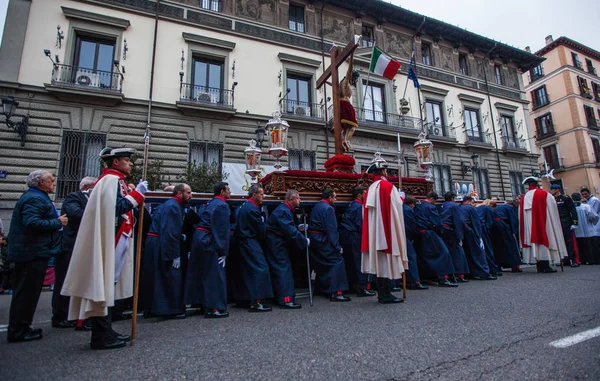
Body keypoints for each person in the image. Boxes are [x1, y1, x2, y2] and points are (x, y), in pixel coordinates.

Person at [62, 147, 147, 350]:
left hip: (118, 238)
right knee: (104, 282)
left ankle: (106, 330)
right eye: (127, 160)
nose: (131, 164)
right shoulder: (110, 181)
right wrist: (137, 195)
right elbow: (116, 209)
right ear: (115, 162)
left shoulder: (116, 181)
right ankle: (100, 335)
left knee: (108, 283)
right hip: (112, 238)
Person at [6, 170, 67, 343]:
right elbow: (32, 222)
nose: (54, 183)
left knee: (28, 293)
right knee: (26, 293)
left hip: (32, 251)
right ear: (41, 182)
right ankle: (19, 330)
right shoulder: (35, 198)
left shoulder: (36, 196)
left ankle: (21, 327)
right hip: (31, 252)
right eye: (51, 180)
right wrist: (58, 222)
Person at [141, 184, 192, 320]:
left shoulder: (170, 205)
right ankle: (168, 309)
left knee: (155, 276)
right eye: (188, 192)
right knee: (168, 276)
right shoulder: (173, 207)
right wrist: (174, 254)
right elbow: (170, 232)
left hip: (156, 241)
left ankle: (152, 308)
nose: (190, 195)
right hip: (161, 242)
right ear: (179, 193)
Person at [361, 160, 408, 304]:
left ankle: (382, 293)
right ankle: (385, 294)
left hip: (374, 232)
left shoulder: (370, 188)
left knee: (380, 262)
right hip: (387, 230)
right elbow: (397, 206)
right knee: (386, 261)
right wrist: (401, 197)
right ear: (382, 172)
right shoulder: (388, 186)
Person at [52, 176, 96, 331]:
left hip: (81, 244)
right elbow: (77, 214)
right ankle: (60, 315)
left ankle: (74, 315)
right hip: (69, 246)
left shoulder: (88, 199)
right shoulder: (73, 197)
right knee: (65, 281)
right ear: (87, 187)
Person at [185, 182, 231, 318]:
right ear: (222, 192)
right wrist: (223, 251)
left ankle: (200, 303)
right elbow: (221, 230)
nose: (230, 192)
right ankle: (213, 307)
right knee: (213, 274)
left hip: (199, 237)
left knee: (201, 272)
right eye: (228, 190)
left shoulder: (210, 203)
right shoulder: (222, 205)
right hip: (209, 239)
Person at [265, 190, 306, 309]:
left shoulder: (284, 209)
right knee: (283, 269)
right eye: (298, 198)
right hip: (277, 243)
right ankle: (286, 299)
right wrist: (304, 240)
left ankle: (279, 297)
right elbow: (290, 230)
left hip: (277, 242)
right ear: (291, 199)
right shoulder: (283, 211)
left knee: (280, 269)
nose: (300, 201)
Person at [235, 184, 273, 312]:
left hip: (244, 240)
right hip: (250, 241)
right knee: (260, 268)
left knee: (247, 270)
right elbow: (260, 229)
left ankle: (245, 299)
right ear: (254, 195)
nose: (263, 196)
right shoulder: (252, 209)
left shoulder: (246, 206)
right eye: (261, 194)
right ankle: (257, 301)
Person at [309, 189, 351, 302]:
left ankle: (322, 287)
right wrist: (337, 246)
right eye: (335, 197)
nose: (336, 200)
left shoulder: (318, 205)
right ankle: (336, 292)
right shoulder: (328, 209)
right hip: (323, 240)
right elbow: (331, 229)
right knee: (337, 261)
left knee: (322, 263)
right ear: (330, 197)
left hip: (315, 239)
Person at [519, 177, 567, 273]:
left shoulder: (524, 197)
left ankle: (539, 265)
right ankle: (545, 265)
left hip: (529, 225)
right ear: (537, 184)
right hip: (544, 222)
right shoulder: (544, 194)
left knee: (535, 243)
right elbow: (553, 208)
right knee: (545, 238)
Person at [414, 192, 457, 287]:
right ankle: (443, 278)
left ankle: (426, 276)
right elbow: (437, 222)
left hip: (419, 234)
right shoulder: (431, 207)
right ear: (432, 199)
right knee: (443, 253)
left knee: (424, 256)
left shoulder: (418, 206)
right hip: (429, 233)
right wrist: (439, 232)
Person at [340, 186, 375, 297]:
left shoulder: (351, 205)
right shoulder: (359, 207)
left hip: (347, 236)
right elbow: (361, 225)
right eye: (365, 193)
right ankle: (362, 287)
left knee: (351, 261)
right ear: (359, 195)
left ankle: (353, 285)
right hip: (355, 236)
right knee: (360, 261)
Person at [460, 196, 496, 280]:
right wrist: (479, 235)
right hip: (471, 231)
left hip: (462, 231)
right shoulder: (471, 209)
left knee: (467, 252)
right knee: (478, 252)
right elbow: (476, 222)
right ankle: (483, 272)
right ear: (469, 201)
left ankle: (469, 273)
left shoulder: (459, 207)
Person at [440, 192, 469, 283]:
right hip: (451, 230)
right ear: (452, 198)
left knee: (446, 252)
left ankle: (448, 274)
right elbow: (459, 220)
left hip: (442, 229)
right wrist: (460, 233)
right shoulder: (454, 206)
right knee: (457, 252)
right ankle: (459, 274)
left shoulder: (442, 205)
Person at [402, 196, 428, 290]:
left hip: (402, 235)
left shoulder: (401, 208)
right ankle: (414, 281)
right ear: (411, 204)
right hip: (406, 236)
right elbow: (411, 225)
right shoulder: (408, 210)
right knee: (411, 257)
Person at [550, 184, 579, 267]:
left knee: (569, 241)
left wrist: (575, 222)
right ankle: (565, 258)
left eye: (553, 189)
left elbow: (572, 211)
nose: (552, 190)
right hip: (557, 221)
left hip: (566, 220)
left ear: (557, 189)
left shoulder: (565, 198)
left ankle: (573, 260)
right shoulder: (552, 199)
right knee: (561, 240)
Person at [492, 198, 523, 272]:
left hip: (494, 226)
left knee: (497, 247)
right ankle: (515, 266)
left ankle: (499, 265)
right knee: (511, 246)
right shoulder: (510, 208)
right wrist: (514, 232)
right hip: (504, 225)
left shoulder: (497, 207)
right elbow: (514, 220)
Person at [572, 192, 599, 265]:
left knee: (580, 247)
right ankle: (591, 260)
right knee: (590, 246)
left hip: (577, 231)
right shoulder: (586, 206)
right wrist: (592, 222)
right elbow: (594, 216)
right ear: (580, 198)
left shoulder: (572, 208)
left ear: (572, 199)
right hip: (588, 230)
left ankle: (582, 260)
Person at [476, 199, 501, 277]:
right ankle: (493, 269)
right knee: (489, 249)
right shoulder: (488, 208)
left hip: (477, 228)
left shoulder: (478, 207)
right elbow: (490, 222)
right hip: (483, 229)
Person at [580, 187, 600, 264]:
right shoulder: (587, 201)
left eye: (585, 194)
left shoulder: (594, 200)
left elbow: (593, 212)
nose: (584, 195)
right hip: (593, 224)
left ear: (589, 193)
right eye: (583, 194)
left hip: (596, 223)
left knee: (597, 243)